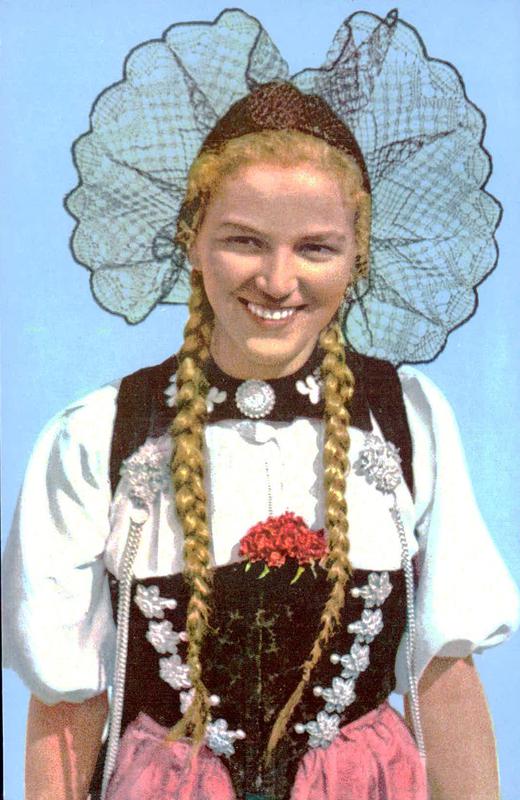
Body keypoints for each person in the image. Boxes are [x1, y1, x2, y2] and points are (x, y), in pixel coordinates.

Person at [3, 10, 519, 800]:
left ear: (358, 256)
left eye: (316, 248)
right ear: (191, 239)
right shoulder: (99, 437)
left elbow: (443, 681)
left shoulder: (407, 421)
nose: (278, 282)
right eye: (244, 240)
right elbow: (67, 710)